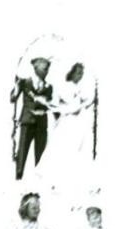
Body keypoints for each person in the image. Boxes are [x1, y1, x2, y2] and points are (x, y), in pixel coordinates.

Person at [37, 61, 96, 195]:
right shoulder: (65, 87)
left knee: (75, 152)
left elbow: (80, 104)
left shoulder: (78, 88)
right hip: (67, 123)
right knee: (61, 150)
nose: (80, 76)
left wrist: (84, 103)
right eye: (78, 72)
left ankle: (70, 183)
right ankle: (55, 183)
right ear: (72, 72)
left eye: (82, 73)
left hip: (77, 124)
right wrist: (80, 105)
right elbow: (64, 106)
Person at [11, 57, 53, 180]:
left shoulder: (49, 87)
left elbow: (49, 104)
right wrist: (16, 88)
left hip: (41, 124)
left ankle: (38, 181)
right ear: (36, 68)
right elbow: (12, 98)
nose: (47, 71)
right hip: (27, 122)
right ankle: (18, 177)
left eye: (48, 69)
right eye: (45, 69)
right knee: (22, 153)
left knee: (40, 156)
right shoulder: (24, 83)